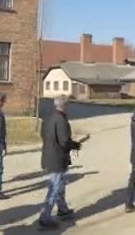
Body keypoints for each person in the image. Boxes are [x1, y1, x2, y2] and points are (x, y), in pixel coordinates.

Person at [38, 95, 82, 230]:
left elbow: (42, 135)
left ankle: (63, 210)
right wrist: (76, 145)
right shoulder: (61, 120)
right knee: (55, 188)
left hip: (49, 156)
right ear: (64, 106)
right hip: (57, 159)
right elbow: (64, 141)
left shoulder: (48, 118)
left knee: (60, 185)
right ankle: (45, 217)